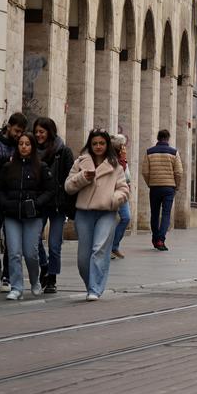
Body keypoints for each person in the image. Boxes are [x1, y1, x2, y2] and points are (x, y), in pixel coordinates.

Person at [64, 129, 129, 301]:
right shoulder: (80, 162)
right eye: (95, 143)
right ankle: (91, 285)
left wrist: (113, 200)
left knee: (99, 249)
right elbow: (68, 186)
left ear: (107, 145)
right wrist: (83, 177)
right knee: (83, 258)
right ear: (90, 145)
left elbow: (123, 189)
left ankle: (95, 288)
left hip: (106, 213)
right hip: (84, 213)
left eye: (102, 143)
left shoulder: (115, 165)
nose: (98, 146)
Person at [0, 128, 53, 299]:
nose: (23, 147)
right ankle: (17, 287)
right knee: (13, 252)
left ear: (33, 147)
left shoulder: (41, 167)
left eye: (27, 144)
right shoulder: (8, 167)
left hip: (33, 216)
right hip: (12, 215)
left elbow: (49, 190)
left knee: (31, 253)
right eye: (20, 144)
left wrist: (37, 203)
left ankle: (35, 280)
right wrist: (5, 203)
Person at [0, 112, 27, 292]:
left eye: (21, 131)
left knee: (12, 241)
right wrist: (6, 162)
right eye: (16, 130)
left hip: (14, 199)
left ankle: (8, 275)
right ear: (8, 126)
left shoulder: (22, 146)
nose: (18, 135)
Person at [32, 116, 72, 293]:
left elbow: (70, 179)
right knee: (34, 238)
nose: (38, 135)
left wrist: (66, 201)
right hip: (39, 203)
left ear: (50, 131)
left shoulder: (63, 151)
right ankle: (44, 266)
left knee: (55, 244)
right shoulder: (32, 151)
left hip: (57, 204)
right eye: (36, 132)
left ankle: (52, 278)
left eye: (41, 132)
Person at [141, 128, 183, 252]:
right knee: (166, 214)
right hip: (169, 187)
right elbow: (179, 172)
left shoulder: (149, 152)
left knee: (154, 214)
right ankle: (161, 239)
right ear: (168, 138)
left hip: (154, 187)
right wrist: (177, 186)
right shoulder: (174, 152)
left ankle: (155, 238)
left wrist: (150, 183)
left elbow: (145, 171)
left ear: (158, 138)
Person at [110, 135, 133, 258]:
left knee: (126, 218)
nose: (125, 147)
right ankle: (108, 247)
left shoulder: (121, 158)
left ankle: (114, 246)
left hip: (122, 192)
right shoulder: (113, 159)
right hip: (112, 192)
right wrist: (123, 160)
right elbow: (119, 173)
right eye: (123, 145)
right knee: (109, 220)